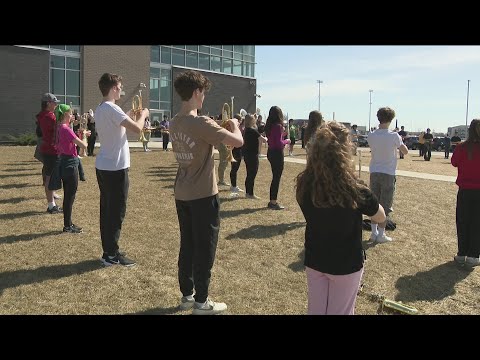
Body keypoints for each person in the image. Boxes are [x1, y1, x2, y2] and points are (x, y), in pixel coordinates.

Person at [170, 70, 243, 314]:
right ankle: (202, 301)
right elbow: (237, 142)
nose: (204, 97)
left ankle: (187, 295)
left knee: (187, 245)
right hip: (203, 195)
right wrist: (236, 126)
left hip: (182, 193)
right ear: (196, 92)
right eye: (203, 93)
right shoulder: (200, 122)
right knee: (205, 247)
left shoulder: (174, 121)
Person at [296, 121, 386, 315]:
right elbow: (380, 216)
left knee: (316, 311)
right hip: (346, 263)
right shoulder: (354, 188)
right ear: (344, 151)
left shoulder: (304, 183)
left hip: (315, 258)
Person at [94, 72, 149, 267]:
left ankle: (109, 250)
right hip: (116, 168)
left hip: (104, 166)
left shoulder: (101, 108)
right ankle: (111, 254)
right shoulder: (113, 108)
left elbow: (123, 127)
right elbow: (138, 129)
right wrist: (143, 115)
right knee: (116, 212)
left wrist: (133, 118)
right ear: (113, 88)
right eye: (119, 87)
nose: (121, 90)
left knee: (107, 210)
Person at [367, 107, 408, 243]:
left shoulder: (371, 135)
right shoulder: (394, 136)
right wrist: (400, 139)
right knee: (385, 204)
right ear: (391, 120)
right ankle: (381, 234)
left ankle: (373, 233)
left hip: (374, 171)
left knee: (374, 203)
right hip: (388, 173)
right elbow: (405, 151)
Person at [52, 104, 87, 233]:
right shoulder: (66, 128)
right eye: (70, 113)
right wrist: (83, 136)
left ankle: (68, 224)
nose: (72, 115)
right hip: (70, 164)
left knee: (68, 196)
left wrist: (78, 135)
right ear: (65, 115)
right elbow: (83, 145)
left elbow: (69, 141)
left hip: (63, 162)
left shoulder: (59, 127)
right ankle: (67, 225)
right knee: (69, 196)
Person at [451, 119, 480, 267]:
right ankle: (474, 255)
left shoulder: (462, 147)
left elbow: (454, 162)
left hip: (465, 190)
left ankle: (462, 253)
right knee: (477, 222)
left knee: (463, 221)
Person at [37, 93, 62, 214]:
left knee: (50, 176)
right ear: (48, 103)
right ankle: (51, 205)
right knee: (50, 177)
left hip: (49, 149)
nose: (56, 104)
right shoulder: (49, 116)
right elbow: (58, 131)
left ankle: (52, 202)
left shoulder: (45, 115)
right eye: (54, 102)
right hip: (51, 150)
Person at [265, 106, 290, 210]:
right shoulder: (278, 126)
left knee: (275, 177)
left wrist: (281, 136)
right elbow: (279, 144)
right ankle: (273, 201)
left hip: (270, 152)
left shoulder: (269, 126)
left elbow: (273, 139)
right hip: (277, 153)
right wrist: (287, 141)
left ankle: (272, 200)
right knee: (276, 178)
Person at [243, 113, 267, 199]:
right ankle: (250, 194)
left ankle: (247, 193)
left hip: (247, 154)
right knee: (252, 174)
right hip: (252, 155)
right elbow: (263, 140)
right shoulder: (253, 131)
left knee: (249, 174)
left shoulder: (246, 130)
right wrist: (266, 138)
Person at [229, 114, 244, 194]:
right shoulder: (234, 129)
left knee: (235, 169)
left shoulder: (237, 128)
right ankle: (233, 186)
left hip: (238, 150)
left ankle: (233, 185)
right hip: (236, 150)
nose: (241, 122)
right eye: (240, 120)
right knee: (234, 169)